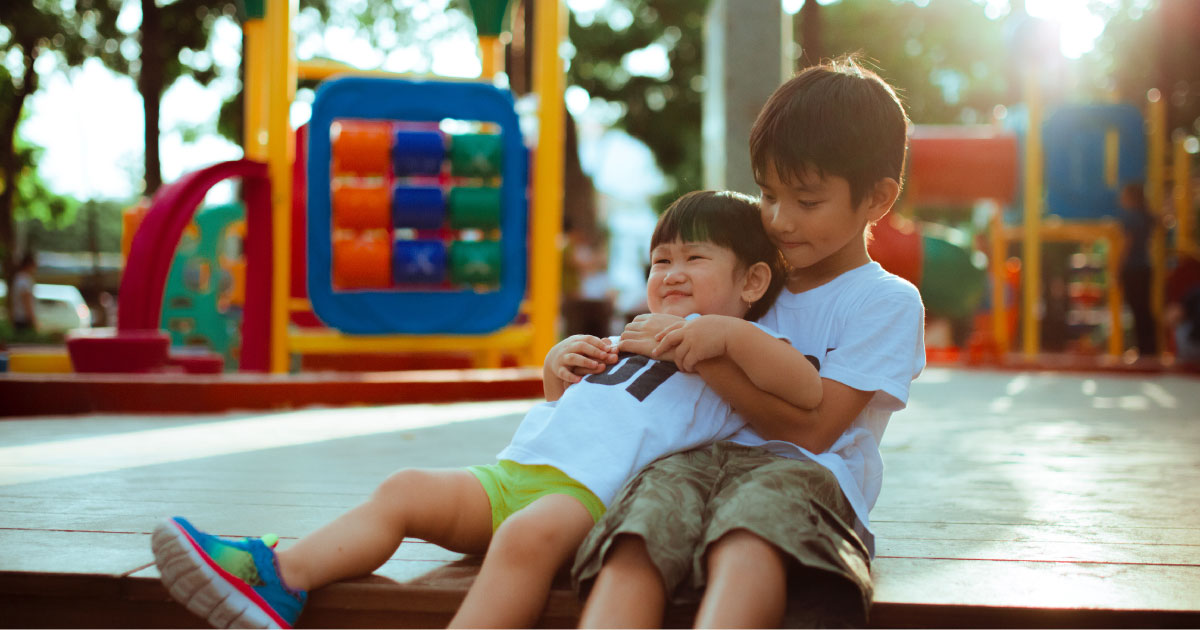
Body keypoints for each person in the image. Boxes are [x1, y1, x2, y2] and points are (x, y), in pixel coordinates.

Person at [150, 190, 815, 630]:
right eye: (660, 259)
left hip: (590, 498)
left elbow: (804, 386)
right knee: (406, 488)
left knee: (524, 539)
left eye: (694, 258)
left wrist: (721, 335)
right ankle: (279, 581)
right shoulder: (632, 333)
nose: (670, 271)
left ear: (752, 281)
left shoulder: (743, 350)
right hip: (515, 474)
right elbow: (579, 409)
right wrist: (559, 367)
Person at [565, 57, 926, 628]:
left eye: (807, 201)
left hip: (806, 475)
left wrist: (701, 351)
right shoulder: (750, 277)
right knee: (639, 529)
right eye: (767, 194)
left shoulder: (883, 301)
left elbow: (815, 430)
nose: (779, 220)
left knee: (750, 533)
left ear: (877, 199)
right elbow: (656, 350)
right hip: (696, 458)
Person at [1118, 182, 1158, 357]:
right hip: (1146, 267)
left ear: (1130, 197)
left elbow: (1127, 243)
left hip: (1132, 268)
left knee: (1136, 309)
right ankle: (1150, 347)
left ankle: (1144, 349)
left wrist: (1118, 266)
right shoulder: (1146, 215)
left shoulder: (1130, 217)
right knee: (1145, 309)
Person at [10, 252, 37, 333]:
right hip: (24, 318)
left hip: (17, 317)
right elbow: (26, 301)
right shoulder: (25, 280)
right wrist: (33, 320)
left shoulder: (18, 278)